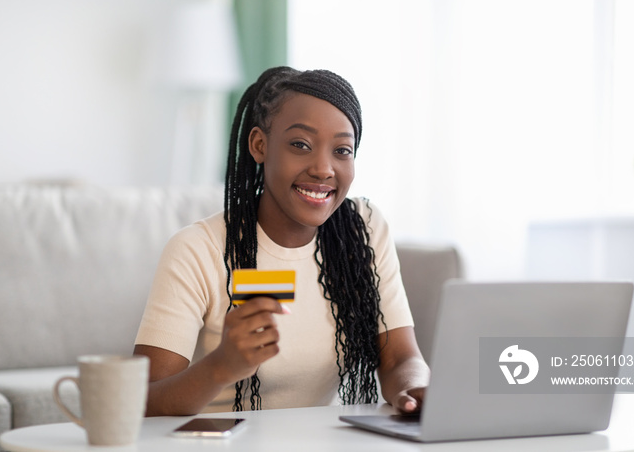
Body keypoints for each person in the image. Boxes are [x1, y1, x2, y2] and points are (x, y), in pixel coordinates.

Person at [133, 66, 430, 415]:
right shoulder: (198, 249)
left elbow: (399, 357)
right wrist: (221, 366)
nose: (323, 168)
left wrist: (417, 391)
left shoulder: (363, 230)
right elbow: (140, 402)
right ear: (260, 145)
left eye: (342, 150)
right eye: (300, 145)